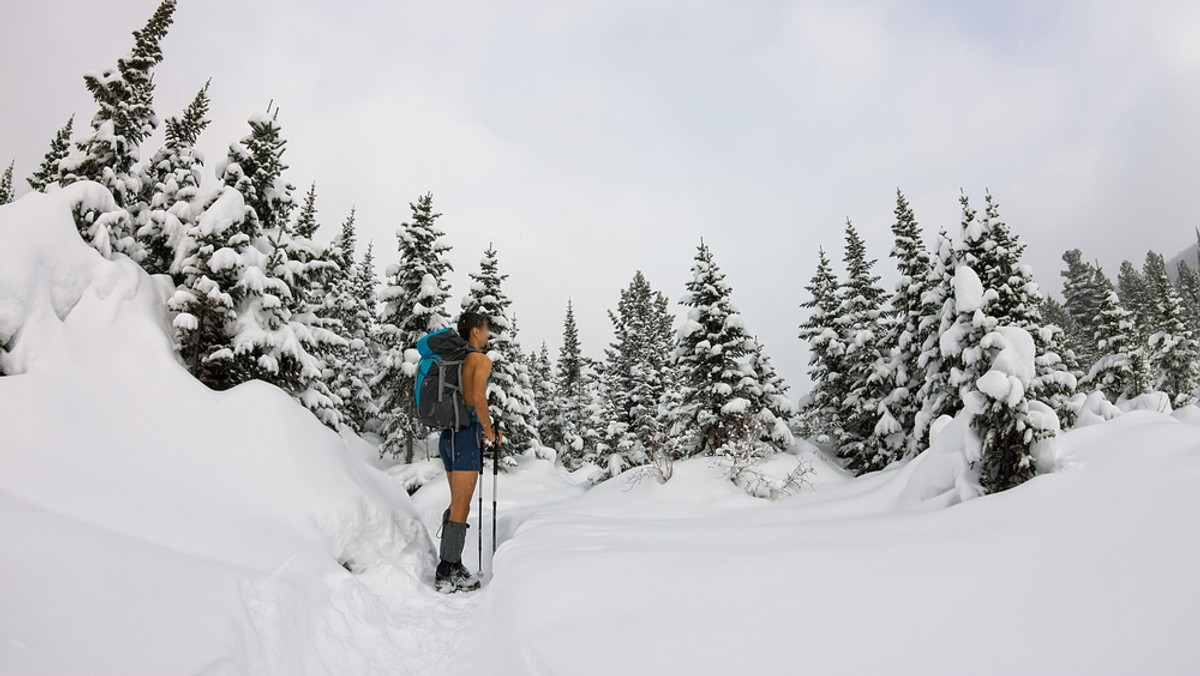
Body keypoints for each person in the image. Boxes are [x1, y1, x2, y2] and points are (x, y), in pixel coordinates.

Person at [435, 311, 503, 591]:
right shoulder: (479, 359)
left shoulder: (456, 359)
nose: (488, 335)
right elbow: (477, 398)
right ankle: (447, 571)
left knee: (457, 502)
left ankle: (452, 562)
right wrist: (490, 431)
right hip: (465, 436)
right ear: (475, 331)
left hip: (448, 435)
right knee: (462, 504)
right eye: (486, 329)